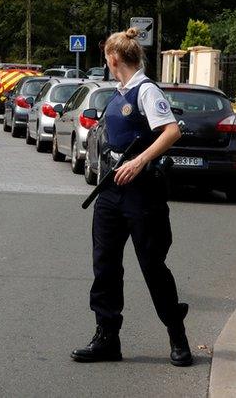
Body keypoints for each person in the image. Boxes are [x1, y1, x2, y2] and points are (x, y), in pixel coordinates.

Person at [71, 27, 190, 366]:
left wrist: (139, 161)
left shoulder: (146, 90)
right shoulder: (119, 92)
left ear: (113, 59)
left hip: (142, 193)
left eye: (106, 59)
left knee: (152, 266)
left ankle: (177, 334)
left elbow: (172, 131)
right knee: (105, 265)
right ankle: (107, 337)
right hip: (110, 190)